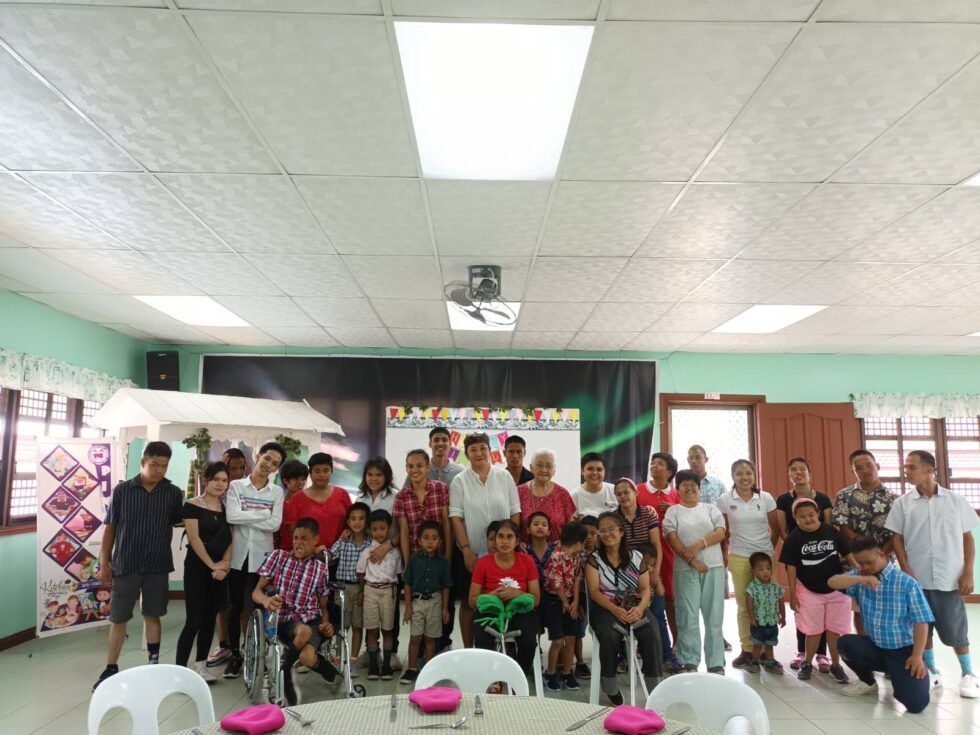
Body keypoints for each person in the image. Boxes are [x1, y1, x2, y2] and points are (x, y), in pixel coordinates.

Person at [886, 449, 979, 699]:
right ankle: (931, 671)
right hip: (916, 580)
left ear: (930, 469)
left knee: (955, 630)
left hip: (949, 578)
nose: (907, 472)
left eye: (911, 467)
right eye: (906, 467)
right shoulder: (902, 503)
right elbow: (897, 539)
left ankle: (968, 674)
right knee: (921, 628)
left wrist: (968, 573)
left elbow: (967, 538)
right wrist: (906, 571)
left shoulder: (955, 501)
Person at [93, 441, 184, 690]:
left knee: (153, 614)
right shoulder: (122, 491)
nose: (159, 470)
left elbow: (172, 526)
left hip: (157, 564)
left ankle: (153, 665)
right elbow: (110, 529)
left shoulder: (173, 493)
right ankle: (111, 667)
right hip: (126, 563)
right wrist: (105, 563)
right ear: (143, 462)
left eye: (164, 466)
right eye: (154, 464)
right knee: (118, 617)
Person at [830, 536, 933, 714]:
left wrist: (917, 655)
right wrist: (860, 579)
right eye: (860, 563)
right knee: (845, 643)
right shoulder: (860, 576)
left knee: (916, 704)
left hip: (903, 652)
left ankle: (907, 676)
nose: (865, 568)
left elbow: (921, 621)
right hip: (875, 646)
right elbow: (831, 582)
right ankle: (868, 682)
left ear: (882, 554)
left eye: (869, 562)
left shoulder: (906, 583)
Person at [252, 517, 340, 706]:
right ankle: (286, 674)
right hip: (283, 620)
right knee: (303, 631)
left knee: (307, 656)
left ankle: (325, 673)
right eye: (296, 538)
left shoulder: (320, 568)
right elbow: (256, 592)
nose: (298, 543)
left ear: (315, 540)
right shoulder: (278, 557)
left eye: (304, 538)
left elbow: (323, 606)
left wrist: (326, 622)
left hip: (311, 618)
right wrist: (266, 600)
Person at [449, 433, 521, 648]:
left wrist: (513, 545)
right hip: (472, 552)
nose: (478, 453)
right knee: (469, 603)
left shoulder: (504, 477)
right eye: (473, 450)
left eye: (482, 448)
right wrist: (466, 551)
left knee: (504, 599)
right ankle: (469, 649)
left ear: (489, 451)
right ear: (467, 454)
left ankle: (502, 648)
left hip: (504, 553)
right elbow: (455, 517)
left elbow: (515, 512)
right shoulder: (459, 480)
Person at [223, 441, 286, 679]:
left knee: (262, 607)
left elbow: (276, 524)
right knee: (234, 608)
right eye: (267, 458)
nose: (268, 465)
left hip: (263, 558)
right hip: (239, 556)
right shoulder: (237, 486)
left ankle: (261, 657)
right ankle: (235, 656)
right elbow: (231, 516)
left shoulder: (277, 492)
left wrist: (246, 516)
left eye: (274, 463)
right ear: (257, 456)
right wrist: (262, 513)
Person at [586, 512, 662, 705]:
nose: (606, 534)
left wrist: (640, 607)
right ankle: (610, 685)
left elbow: (645, 588)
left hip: (634, 605)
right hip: (605, 607)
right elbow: (594, 592)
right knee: (609, 634)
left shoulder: (637, 557)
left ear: (621, 532)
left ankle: (654, 685)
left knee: (651, 631)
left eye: (611, 529)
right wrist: (615, 609)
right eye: (602, 530)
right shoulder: (594, 559)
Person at [780, 497, 852, 684]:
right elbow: (791, 568)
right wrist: (793, 595)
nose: (808, 519)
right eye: (802, 516)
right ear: (795, 518)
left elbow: (848, 554)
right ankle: (807, 663)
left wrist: (862, 571)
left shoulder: (831, 531)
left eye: (811, 515)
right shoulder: (793, 539)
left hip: (837, 590)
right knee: (813, 631)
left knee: (834, 630)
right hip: (809, 590)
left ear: (818, 514)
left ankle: (836, 665)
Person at [662, 469, 727, 674]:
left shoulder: (710, 509)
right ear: (678, 489)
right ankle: (688, 659)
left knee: (714, 616)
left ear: (699, 488)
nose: (689, 488)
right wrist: (692, 561)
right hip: (685, 570)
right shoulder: (673, 511)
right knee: (687, 616)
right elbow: (672, 539)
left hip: (713, 567)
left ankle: (716, 661)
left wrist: (699, 545)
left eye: (693, 484)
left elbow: (720, 532)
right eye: (684, 485)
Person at [717, 458, 778, 669]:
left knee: (767, 603)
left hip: (765, 558)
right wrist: (725, 553)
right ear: (733, 477)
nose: (745, 477)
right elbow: (723, 531)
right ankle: (748, 649)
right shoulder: (725, 500)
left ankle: (767, 651)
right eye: (739, 474)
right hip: (740, 557)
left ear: (755, 475)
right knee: (745, 605)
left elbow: (776, 528)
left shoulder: (766, 498)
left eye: (748, 473)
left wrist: (767, 550)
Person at [775, 457, 833, 672]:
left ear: (810, 473)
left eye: (802, 469)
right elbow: (782, 529)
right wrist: (795, 549)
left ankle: (821, 654)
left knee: (824, 603)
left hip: (824, 557)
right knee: (803, 605)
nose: (798, 473)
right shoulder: (783, 500)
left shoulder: (824, 499)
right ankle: (801, 651)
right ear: (789, 475)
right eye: (793, 470)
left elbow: (827, 527)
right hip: (798, 557)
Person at [176, 461, 232, 681]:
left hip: (220, 570)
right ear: (206, 480)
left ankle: (201, 666)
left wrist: (225, 565)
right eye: (216, 479)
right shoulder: (191, 505)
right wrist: (212, 565)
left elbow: (230, 538)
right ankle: (179, 670)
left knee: (210, 618)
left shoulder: (226, 508)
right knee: (194, 619)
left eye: (224, 480)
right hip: (198, 567)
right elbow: (194, 538)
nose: (220, 484)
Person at [395, 449, 452, 655]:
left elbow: (446, 522)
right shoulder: (402, 496)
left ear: (428, 467)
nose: (414, 469)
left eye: (419, 465)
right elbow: (403, 530)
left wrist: (448, 555)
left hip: (439, 556)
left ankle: (441, 647)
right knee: (418, 603)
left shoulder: (441, 488)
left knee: (441, 601)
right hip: (416, 559)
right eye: (410, 466)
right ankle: (419, 653)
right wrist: (406, 561)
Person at [613, 477, 673, 672]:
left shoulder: (648, 514)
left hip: (650, 571)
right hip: (625, 576)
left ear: (635, 493)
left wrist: (655, 573)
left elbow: (657, 545)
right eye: (619, 493)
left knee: (657, 614)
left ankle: (666, 656)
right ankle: (623, 658)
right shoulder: (614, 518)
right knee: (625, 616)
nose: (623, 496)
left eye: (626, 492)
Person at [470, 519, 541, 673]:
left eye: (510, 537)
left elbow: (536, 599)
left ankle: (520, 675)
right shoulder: (483, 563)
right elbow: (472, 601)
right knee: (482, 639)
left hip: (520, 610)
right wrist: (493, 595)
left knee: (529, 640)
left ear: (517, 541)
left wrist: (518, 593)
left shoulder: (527, 561)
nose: (505, 541)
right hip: (491, 611)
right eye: (501, 536)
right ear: (495, 540)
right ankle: (488, 677)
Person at [358, 456, 403, 669]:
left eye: (379, 474)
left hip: (390, 556)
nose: (374, 479)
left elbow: (403, 528)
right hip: (368, 558)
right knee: (370, 611)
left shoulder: (395, 497)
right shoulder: (360, 498)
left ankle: (391, 652)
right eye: (370, 474)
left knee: (390, 611)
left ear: (387, 476)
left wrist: (388, 546)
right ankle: (371, 651)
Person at [209, 447, 251, 668]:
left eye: (241, 468)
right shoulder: (219, 491)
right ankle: (225, 645)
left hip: (244, 553)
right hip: (221, 554)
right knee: (221, 604)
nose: (237, 472)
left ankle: (246, 645)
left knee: (243, 604)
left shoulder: (247, 489)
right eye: (232, 468)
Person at [400, 520, 453, 685]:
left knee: (431, 638)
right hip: (418, 602)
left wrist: (445, 608)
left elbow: (446, 586)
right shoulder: (414, 560)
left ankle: (429, 670)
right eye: (426, 538)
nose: (430, 542)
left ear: (440, 541)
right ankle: (411, 669)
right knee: (415, 637)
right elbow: (407, 584)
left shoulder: (443, 562)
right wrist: (408, 607)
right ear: (419, 541)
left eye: (434, 538)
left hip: (435, 602)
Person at [637, 452, 681, 644]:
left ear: (669, 471)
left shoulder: (676, 495)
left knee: (671, 597)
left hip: (671, 553)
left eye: (660, 464)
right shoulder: (638, 490)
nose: (654, 466)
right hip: (645, 554)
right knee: (644, 595)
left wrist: (673, 508)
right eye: (653, 463)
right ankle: (644, 643)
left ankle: (676, 642)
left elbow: (684, 522)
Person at [542, 521, 587, 692]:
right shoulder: (556, 557)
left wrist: (575, 602)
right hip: (554, 601)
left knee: (571, 639)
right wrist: (566, 603)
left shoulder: (576, 558)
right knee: (558, 640)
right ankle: (551, 673)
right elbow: (557, 584)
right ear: (578, 543)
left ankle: (568, 673)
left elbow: (577, 579)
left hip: (569, 601)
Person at [328, 502, 371, 677]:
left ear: (367, 521)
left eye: (361, 519)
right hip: (342, 588)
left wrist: (364, 591)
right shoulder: (344, 542)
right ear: (348, 521)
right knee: (342, 626)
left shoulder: (371, 544)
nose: (357, 522)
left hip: (360, 589)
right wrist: (340, 539)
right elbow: (330, 556)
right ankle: (339, 659)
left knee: (358, 626)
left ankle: (353, 660)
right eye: (353, 519)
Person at [281, 453, 350, 554]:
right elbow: (293, 530)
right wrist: (313, 550)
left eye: (326, 470)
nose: (322, 475)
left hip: (341, 558)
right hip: (307, 559)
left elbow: (352, 521)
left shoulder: (342, 495)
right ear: (310, 473)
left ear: (331, 472)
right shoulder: (297, 499)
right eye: (317, 471)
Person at [517, 448, 575, 544]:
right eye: (539, 465)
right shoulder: (519, 492)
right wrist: (518, 542)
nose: (544, 470)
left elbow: (572, 527)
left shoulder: (562, 494)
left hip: (557, 554)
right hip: (526, 553)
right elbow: (512, 525)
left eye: (548, 466)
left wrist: (564, 541)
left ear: (554, 470)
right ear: (531, 467)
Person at [745, 553, 785, 675]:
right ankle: (755, 661)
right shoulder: (752, 587)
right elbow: (749, 604)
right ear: (754, 570)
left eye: (768, 568)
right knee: (757, 643)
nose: (765, 572)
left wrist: (783, 617)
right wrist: (752, 619)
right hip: (758, 622)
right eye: (761, 569)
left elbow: (781, 603)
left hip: (772, 621)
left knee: (770, 643)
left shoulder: (775, 586)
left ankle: (770, 661)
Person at [573, 515, 599, 679]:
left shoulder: (601, 554)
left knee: (598, 629)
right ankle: (580, 662)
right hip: (581, 596)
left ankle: (603, 659)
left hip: (598, 597)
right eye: (585, 533)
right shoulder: (576, 554)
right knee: (578, 631)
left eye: (593, 533)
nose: (589, 537)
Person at [275, 459, 309, 549]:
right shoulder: (279, 502)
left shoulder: (308, 502)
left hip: (303, 551)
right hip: (283, 550)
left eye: (303, 479)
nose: (301, 483)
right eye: (296, 479)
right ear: (285, 480)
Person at [572, 452, 617, 518]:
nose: (595, 473)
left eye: (599, 469)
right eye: (590, 469)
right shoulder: (575, 495)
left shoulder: (614, 490)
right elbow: (573, 525)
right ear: (582, 471)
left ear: (604, 471)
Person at [527, 511, 555, 579]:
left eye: (544, 525)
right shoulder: (525, 551)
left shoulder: (555, 550)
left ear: (549, 532)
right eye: (536, 524)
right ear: (528, 530)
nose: (540, 527)